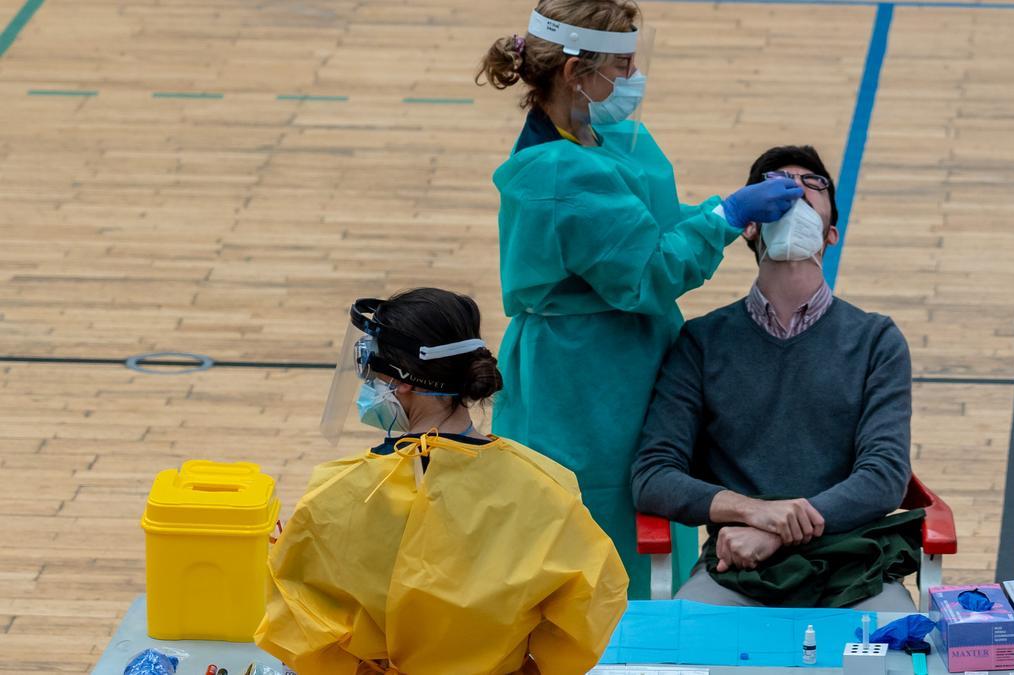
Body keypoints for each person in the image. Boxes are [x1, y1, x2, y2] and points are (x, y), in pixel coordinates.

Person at [476, 0, 805, 599]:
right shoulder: (558, 174)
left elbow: (646, 226)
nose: (630, 77)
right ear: (577, 74)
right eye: (620, 65)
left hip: (631, 360)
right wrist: (727, 216)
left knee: (651, 494)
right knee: (599, 522)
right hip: (582, 382)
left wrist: (719, 217)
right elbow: (648, 269)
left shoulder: (604, 139)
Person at [257, 288, 629, 675]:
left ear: (400, 381)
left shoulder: (340, 491)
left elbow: (296, 625)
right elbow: (591, 607)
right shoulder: (546, 484)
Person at [631, 146, 918, 611]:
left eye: (811, 185)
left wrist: (775, 533)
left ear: (831, 235)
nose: (794, 188)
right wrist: (753, 513)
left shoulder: (876, 340)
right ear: (749, 225)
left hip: (854, 570)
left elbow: (884, 477)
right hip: (736, 568)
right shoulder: (701, 341)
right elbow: (653, 476)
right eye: (776, 183)